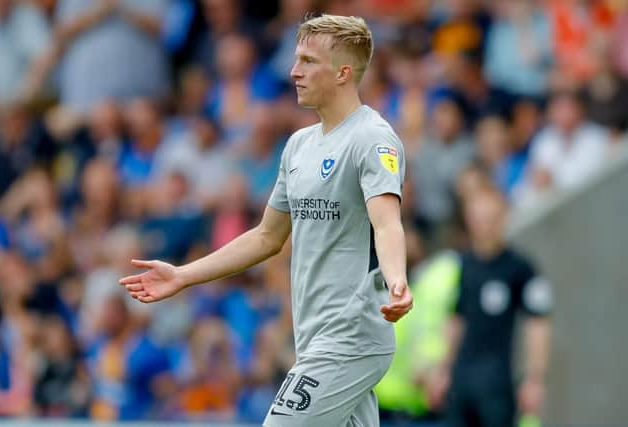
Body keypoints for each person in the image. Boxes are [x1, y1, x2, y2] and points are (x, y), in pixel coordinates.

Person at [119, 14, 413, 427]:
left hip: (350, 337)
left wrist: (397, 278)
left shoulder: (372, 139)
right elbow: (265, 237)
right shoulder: (298, 146)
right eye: (296, 59)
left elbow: (387, 223)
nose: (294, 71)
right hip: (313, 338)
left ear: (344, 72)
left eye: (309, 61)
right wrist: (183, 275)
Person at [434, 187, 553, 427]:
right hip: (461, 380)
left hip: (497, 383)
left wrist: (534, 379)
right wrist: (443, 368)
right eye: (478, 218)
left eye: (490, 218)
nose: (484, 225)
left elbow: (538, 324)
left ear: (503, 217)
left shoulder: (520, 268)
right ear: (469, 220)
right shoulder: (460, 266)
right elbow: (454, 320)